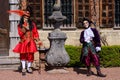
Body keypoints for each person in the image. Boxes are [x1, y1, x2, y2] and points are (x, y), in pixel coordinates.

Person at [13, 7, 42, 75]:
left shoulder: (32, 24)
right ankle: (23, 67)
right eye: (24, 17)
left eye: (27, 17)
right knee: (23, 54)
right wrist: (24, 28)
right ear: (22, 18)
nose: (26, 18)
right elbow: (20, 34)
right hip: (23, 41)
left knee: (30, 55)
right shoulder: (20, 26)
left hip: (31, 41)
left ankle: (29, 67)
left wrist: (38, 40)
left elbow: (35, 33)